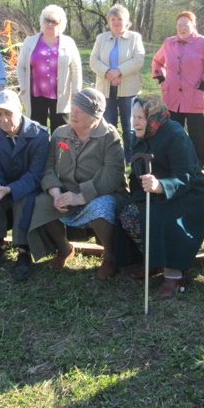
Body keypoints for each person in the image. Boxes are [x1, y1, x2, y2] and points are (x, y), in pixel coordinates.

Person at [27, 88, 128, 279]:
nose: (73, 113)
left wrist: (80, 196)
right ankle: (64, 248)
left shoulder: (110, 136)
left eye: (80, 111)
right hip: (67, 191)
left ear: (94, 117)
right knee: (42, 202)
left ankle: (110, 256)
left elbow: (112, 175)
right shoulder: (60, 133)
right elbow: (48, 168)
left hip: (104, 193)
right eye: (73, 108)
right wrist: (56, 194)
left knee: (101, 207)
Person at [117, 96, 204, 298]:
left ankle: (174, 274)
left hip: (187, 192)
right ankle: (153, 260)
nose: (136, 122)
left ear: (153, 117)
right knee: (129, 214)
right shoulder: (138, 135)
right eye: (134, 117)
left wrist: (161, 186)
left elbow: (187, 174)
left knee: (160, 217)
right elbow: (136, 170)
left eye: (141, 117)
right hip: (151, 190)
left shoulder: (174, 133)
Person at [0, 90, 49, 280]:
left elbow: (36, 175)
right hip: (5, 184)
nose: (3, 120)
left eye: (8, 113)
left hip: (29, 187)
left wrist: (9, 189)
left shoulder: (39, 135)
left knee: (24, 199)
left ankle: (23, 251)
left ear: (20, 110)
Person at [152, 11, 204, 172]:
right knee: (173, 133)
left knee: (199, 135)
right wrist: (162, 80)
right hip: (173, 97)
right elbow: (156, 61)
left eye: (186, 25)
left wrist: (202, 87)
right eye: (179, 26)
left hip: (195, 97)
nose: (182, 29)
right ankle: (175, 162)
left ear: (193, 26)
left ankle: (202, 165)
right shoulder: (169, 43)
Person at [89, 4, 145, 161]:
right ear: (109, 22)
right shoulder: (101, 38)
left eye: (119, 19)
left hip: (127, 89)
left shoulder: (135, 38)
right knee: (108, 124)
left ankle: (131, 157)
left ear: (126, 21)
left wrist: (118, 71)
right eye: (113, 19)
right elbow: (94, 60)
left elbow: (138, 59)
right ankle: (111, 156)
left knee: (130, 125)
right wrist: (108, 73)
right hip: (106, 89)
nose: (116, 22)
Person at [17, 5, 82, 133]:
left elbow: (76, 69)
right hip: (36, 94)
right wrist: (24, 87)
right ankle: (39, 153)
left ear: (61, 24)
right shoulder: (30, 42)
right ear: (42, 22)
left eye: (54, 22)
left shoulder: (68, 43)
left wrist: (76, 91)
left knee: (61, 131)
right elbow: (21, 66)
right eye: (46, 20)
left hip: (61, 96)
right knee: (36, 130)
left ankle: (59, 153)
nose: (49, 24)